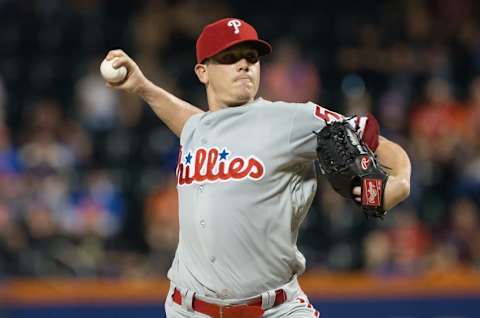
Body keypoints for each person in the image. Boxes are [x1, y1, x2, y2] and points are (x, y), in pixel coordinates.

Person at [103, 18, 411, 318]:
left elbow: (377, 140)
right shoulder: (199, 129)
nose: (244, 64)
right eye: (229, 58)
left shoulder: (293, 120)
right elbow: (191, 122)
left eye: (251, 57)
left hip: (274, 309)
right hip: (188, 309)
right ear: (202, 72)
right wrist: (143, 88)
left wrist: (400, 182)